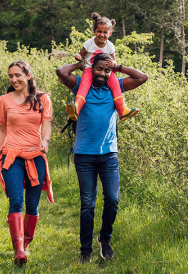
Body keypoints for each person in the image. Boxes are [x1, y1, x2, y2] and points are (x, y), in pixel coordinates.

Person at [56, 52, 148, 262]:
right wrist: (81, 64)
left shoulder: (115, 86)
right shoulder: (81, 85)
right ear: (92, 69)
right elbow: (61, 72)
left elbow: (142, 77)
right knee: (87, 203)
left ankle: (104, 239)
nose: (102, 73)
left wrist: (118, 67)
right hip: (84, 154)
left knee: (112, 200)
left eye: (106, 70)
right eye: (99, 69)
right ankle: (85, 250)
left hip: (109, 154)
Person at [0, 60, 54, 267]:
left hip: (35, 156)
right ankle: (18, 250)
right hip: (11, 156)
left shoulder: (42, 98)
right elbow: (2, 129)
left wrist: (45, 141)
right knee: (16, 200)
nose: (14, 79)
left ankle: (26, 243)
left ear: (28, 75)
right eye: (10, 76)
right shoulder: (4, 100)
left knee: (33, 204)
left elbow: (46, 124)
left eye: (18, 75)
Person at [66, 12, 138, 122]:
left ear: (110, 34)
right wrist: (79, 57)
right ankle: (76, 108)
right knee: (84, 86)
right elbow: (82, 54)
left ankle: (122, 110)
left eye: (105, 32)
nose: (102, 34)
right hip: (90, 68)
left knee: (115, 86)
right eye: (99, 31)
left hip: (107, 70)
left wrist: (114, 65)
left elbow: (114, 60)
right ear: (94, 31)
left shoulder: (110, 46)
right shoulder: (89, 43)